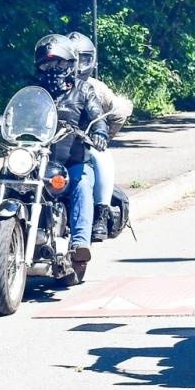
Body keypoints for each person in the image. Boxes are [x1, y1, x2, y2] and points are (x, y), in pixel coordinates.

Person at [0, 34, 108, 277]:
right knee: (5, 179)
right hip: (35, 157)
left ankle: (79, 245)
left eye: (60, 63)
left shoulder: (84, 91)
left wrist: (99, 132)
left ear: (71, 64)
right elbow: (12, 115)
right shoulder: (33, 91)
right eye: (47, 64)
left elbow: (98, 116)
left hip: (71, 159)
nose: (53, 69)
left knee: (82, 183)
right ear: (38, 66)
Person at [65, 31, 132, 241]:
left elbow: (120, 109)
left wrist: (103, 135)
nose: (78, 65)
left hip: (83, 141)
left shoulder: (94, 87)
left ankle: (101, 212)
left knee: (101, 156)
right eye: (73, 59)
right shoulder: (51, 83)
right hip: (51, 140)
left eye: (83, 59)